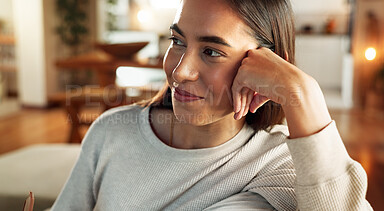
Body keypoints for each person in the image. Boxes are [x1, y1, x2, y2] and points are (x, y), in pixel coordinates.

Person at [51, 0, 372, 210]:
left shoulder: (279, 163)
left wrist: (302, 93)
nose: (179, 71)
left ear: (268, 66)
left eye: (212, 52)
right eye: (177, 42)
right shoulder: (110, 132)